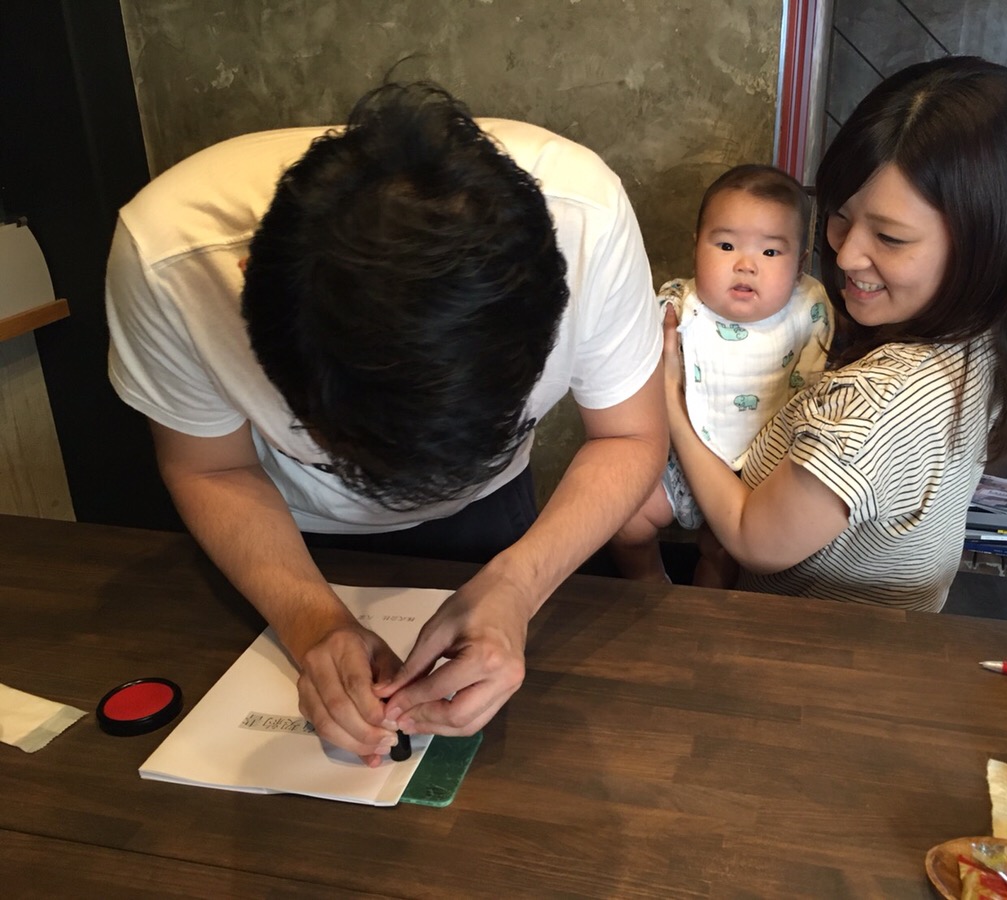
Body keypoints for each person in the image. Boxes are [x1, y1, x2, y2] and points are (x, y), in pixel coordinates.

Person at [105, 81, 667, 765]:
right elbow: (210, 466)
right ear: (248, 286)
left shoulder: (587, 222)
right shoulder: (170, 258)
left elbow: (630, 434)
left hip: (495, 521)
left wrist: (519, 585)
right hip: (279, 533)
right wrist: (310, 621)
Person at [662, 56, 1007, 612]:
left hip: (806, 646)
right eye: (841, 216)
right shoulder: (988, 333)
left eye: (890, 238)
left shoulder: (877, 404)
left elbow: (751, 537)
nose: (847, 255)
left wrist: (672, 401)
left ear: (988, 244)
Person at [608, 165, 831, 586]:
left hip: (758, 471)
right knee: (625, 520)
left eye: (770, 253)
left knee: (723, 551)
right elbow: (637, 366)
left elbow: (815, 383)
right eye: (726, 245)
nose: (745, 265)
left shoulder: (809, 308)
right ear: (697, 247)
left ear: (801, 265)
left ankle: (703, 609)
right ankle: (648, 587)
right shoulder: (679, 304)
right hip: (676, 459)